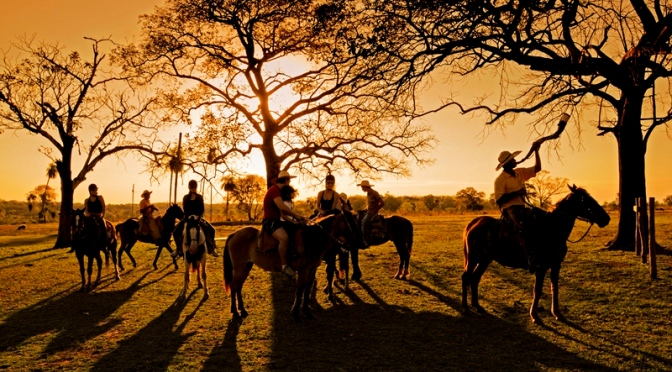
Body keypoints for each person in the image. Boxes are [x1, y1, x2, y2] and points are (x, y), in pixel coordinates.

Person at [494, 141, 542, 270]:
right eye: (512, 159)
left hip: (522, 207)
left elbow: (537, 168)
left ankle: (539, 253)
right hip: (509, 209)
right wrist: (517, 193)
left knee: (541, 220)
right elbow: (499, 200)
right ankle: (528, 257)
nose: (515, 160)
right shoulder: (500, 180)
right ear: (507, 164)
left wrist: (537, 151)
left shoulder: (520, 172)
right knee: (524, 227)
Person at [262, 170, 307, 278]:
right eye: (289, 181)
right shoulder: (275, 190)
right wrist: (296, 216)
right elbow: (282, 207)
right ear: (287, 181)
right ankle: (284, 265)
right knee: (284, 238)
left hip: (277, 220)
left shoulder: (278, 191)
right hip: (270, 221)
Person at [172, 180, 219, 258]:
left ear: (196, 187)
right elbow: (185, 208)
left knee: (212, 229)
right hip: (188, 218)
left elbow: (202, 209)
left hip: (198, 218)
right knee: (175, 231)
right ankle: (178, 250)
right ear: (189, 187)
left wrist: (198, 216)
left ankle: (212, 248)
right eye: (192, 187)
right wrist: (188, 216)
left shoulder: (200, 197)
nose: (193, 188)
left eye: (194, 187)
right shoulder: (186, 197)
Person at [357, 180, 385, 247]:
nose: (362, 189)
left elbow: (382, 203)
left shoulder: (375, 193)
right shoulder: (368, 193)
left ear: (365, 187)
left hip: (372, 212)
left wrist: (374, 210)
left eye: (362, 187)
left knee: (364, 222)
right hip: (369, 211)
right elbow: (370, 204)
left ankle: (365, 241)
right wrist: (364, 209)